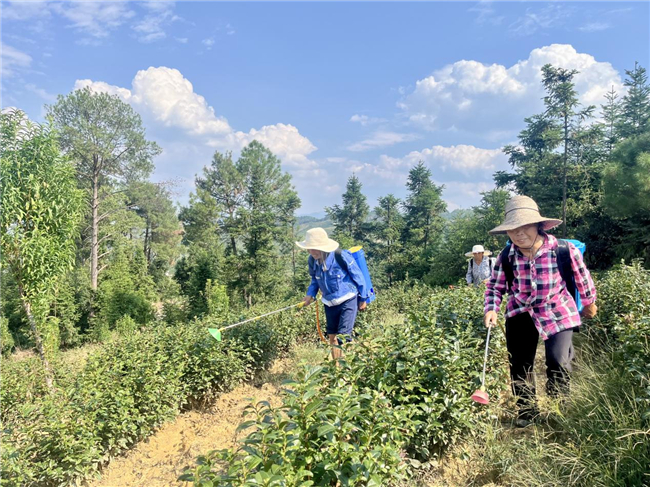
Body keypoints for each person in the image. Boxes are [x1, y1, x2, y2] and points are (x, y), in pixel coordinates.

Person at [483, 195, 597, 427]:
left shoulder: (563, 250)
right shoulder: (507, 256)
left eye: (525, 226)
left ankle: (559, 409)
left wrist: (589, 303)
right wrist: (491, 309)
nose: (519, 233)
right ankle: (527, 412)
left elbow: (582, 278)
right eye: (513, 229)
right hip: (520, 311)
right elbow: (495, 287)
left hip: (557, 309)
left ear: (538, 226)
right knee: (520, 364)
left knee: (557, 361)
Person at [295, 227, 369, 360]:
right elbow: (314, 279)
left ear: (323, 247)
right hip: (328, 302)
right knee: (332, 337)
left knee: (343, 338)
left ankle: (348, 370)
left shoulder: (340, 256)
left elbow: (358, 276)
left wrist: (363, 298)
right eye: (309, 248)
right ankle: (337, 369)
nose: (311, 252)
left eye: (314, 248)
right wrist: (310, 295)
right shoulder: (312, 260)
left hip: (348, 298)